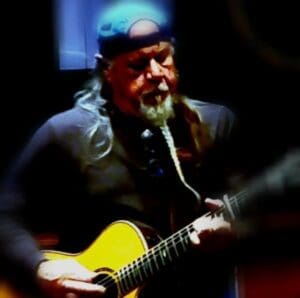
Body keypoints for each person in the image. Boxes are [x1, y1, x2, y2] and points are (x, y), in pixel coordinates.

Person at [0, 1, 239, 297]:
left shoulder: (215, 124)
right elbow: (5, 212)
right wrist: (40, 268)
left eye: (162, 58)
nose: (155, 73)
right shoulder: (65, 134)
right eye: (137, 65)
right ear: (106, 70)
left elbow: (253, 208)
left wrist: (237, 229)